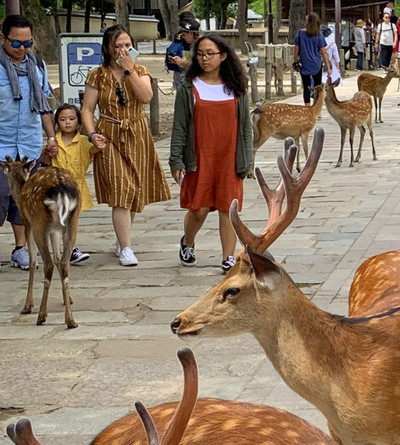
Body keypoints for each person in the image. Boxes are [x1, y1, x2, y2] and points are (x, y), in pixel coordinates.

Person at [0, 14, 59, 272]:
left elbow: (44, 106)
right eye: (16, 43)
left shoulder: (37, 66)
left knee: (26, 196)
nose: (22, 49)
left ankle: (21, 247)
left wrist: (51, 137)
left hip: (29, 145)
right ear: (2, 38)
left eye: (27, 43)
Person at [81, 24, 170, 266]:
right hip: (109, 134)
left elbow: (146, 97)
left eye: (127, 45)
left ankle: (123, 240)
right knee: (121, 187)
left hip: (136, 132)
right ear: (108, 48)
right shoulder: (98, 75)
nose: (122, 50)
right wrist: (91, 133)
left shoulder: (139, 70)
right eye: (117, 46)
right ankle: (127, 248)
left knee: (134, 190)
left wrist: (129, 70)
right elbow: (87, 109)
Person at [169, 35, 254, 272]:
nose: (204, 59)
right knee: (199, 209)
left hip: (230, 158)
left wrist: (247, 159)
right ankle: (188, 242)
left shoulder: (237, 88)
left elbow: (246, 127)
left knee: (228, 208)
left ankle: (228, 257)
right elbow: (180, 127)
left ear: (223, 56)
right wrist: (176, 160)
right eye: (199, 54)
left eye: (209, 54)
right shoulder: (188, 87)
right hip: (199, 158)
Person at [51, 103, 96, 264]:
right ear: (57, 122)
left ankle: (69, 248)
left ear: (79, 121)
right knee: (61, 219)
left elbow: (95, 149)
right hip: (56, 186)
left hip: (76, 186)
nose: (68, 122)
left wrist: (98, 140)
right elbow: (45, 161)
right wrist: (48, 152)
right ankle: (68, 249)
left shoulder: (83, 141)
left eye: (71, 119)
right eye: (63, 119)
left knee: (71, 219)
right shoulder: (54, 141)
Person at [293, 12, 329, 105]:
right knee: (317, 86)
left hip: (304, 64)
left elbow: (296, 48)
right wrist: (328, 67)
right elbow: (323, 52)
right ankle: (316, 106)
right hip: (316, 64)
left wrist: (295, 60)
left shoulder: (300, 33)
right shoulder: (319, 35)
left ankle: (307, 107)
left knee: (306, 87)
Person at [165, 19, 200, 91]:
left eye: (184, 35)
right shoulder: (192, 46)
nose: (183, 37)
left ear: (191, 33)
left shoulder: (199, 47)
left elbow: (192, 65)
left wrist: (181, 62)